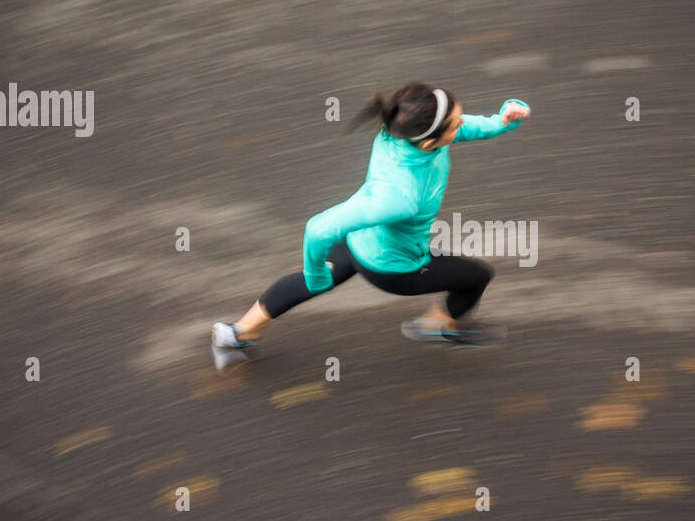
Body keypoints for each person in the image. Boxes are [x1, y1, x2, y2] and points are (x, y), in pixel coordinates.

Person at [212, 82, 531, 370]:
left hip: (356, 241)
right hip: (393, 268)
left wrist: (501, 121)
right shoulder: (400, 194)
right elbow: (319, 228)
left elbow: (463, 128)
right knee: (477, 276)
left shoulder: (399, 130)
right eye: (456, 122)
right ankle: (439, 324)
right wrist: (316, 273)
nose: (462, 125)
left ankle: (237, 333)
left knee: (310, 282)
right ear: (431, 140)